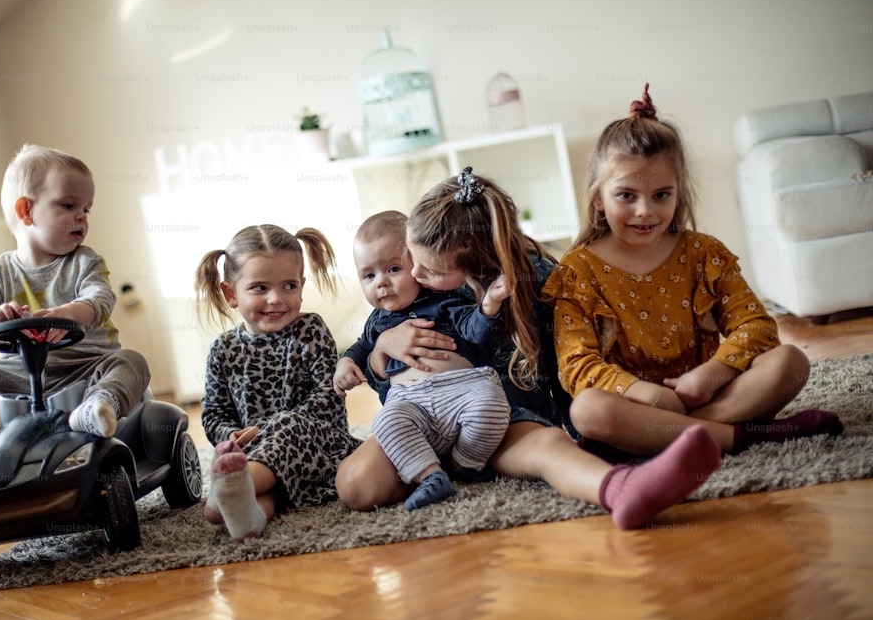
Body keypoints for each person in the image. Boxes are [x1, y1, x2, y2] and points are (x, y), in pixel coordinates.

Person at [335, 166, 723, 530]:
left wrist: (597, 421)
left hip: (501, 419)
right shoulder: (410, 296)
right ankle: (434, 471)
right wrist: (378, 352)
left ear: (473, 264)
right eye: (411, 264)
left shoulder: (538, 283)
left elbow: (573, 364)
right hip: (421, 419)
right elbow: (390, 379)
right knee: (355, 485)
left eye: (426, 270)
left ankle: (622, 488)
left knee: (548, 447)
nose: (415, 274)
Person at [540, 83, 843, 457]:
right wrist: (649, 395)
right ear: (598, 198)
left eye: (661, 195)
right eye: (626, 195)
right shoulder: (578, 270)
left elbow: (757, 326)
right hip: (633, 407)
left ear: (679, 191)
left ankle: (661, 440)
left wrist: (711, 375)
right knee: (588, 410)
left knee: (789, 361)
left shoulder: (703, 253)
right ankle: (740, 438)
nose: (645, 211)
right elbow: (576, 365)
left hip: (706, 395)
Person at [0, 144, 151, 455]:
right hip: (20, 376)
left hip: (85, 369)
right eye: (68, 205)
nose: (81, 216)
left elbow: (100, 297)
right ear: (26, 211)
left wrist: (73, 313)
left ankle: (97, 407)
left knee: (132, 361)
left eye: (86, 209)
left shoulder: (85, 261)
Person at [334, 210, 511, 511]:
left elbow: (476, 332)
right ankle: (431, 475)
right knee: (387, 421)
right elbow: (360, 349)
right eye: (369, 275)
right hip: (408, 401)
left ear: (418, 264)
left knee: (492, 403)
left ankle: (464, 463)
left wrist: (489, 305)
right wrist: (345, 364)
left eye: (393, 268)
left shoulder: (446, 299)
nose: (381, 283)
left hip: (462, 390)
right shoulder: (377, 322)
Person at [195, 224, 360, 541]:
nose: (276, 299)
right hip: (255, 451)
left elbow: (327, 399)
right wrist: (232, 435)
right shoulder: (223, 349)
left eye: (288, 286)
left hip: (318, 445)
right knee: (269, 484)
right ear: (231, 293)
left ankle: (230, 490)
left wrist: (270, 428)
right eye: (259, 288)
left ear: (301, 285)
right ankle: (249, 517)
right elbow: (214, 412)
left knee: (288, 425)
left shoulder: (311, 330)